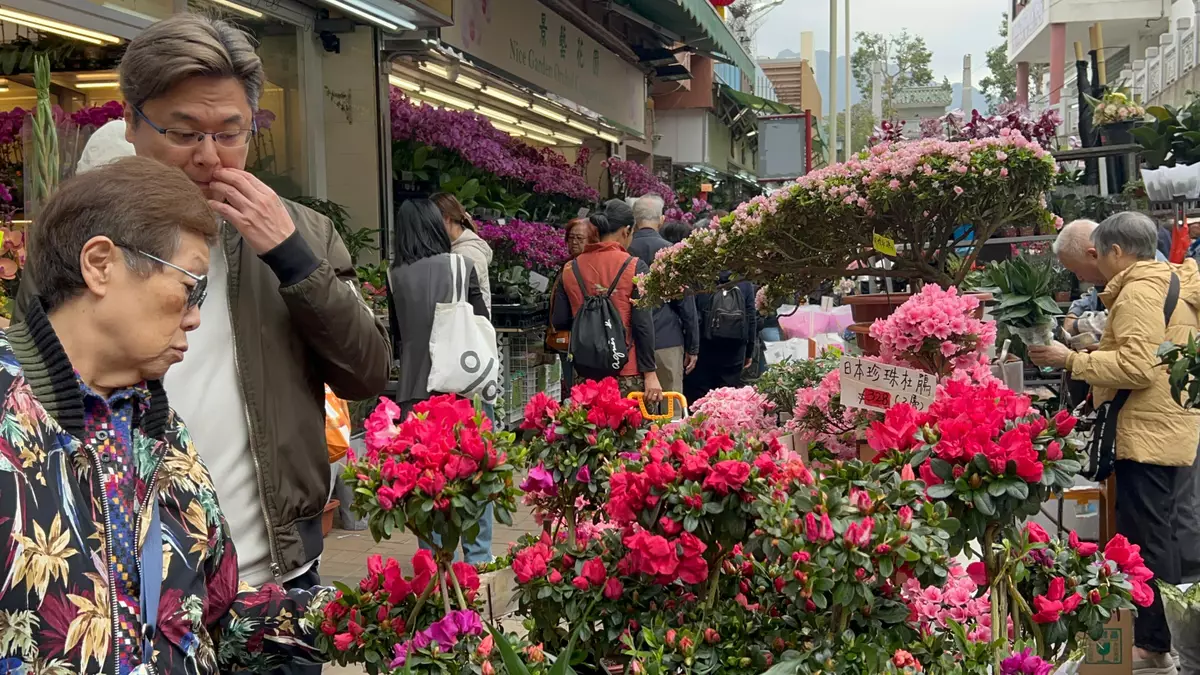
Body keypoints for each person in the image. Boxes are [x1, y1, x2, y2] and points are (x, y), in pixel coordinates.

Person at [13, 17, 391, 661]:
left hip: (270, 577)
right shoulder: (78, 236)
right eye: (184, 132)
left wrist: (293, 258)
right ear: (132, 124)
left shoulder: (299, 233)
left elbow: (368, 372)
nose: (210, 156)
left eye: (230, 132)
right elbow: (39, 387)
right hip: (117, 595)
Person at [0, 155, 332, 674]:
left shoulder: (160, 427)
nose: (196, 317)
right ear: (100, 264)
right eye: (190, 286)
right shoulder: (10, 415)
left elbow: (213, 616)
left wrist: (368, 617)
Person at [1030, 212, 1200, 674]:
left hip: (1147, 432)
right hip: (1166, 425)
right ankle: (1164, 640)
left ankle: (1154, 642)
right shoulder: (1165, 280)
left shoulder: (1139, 290)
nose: (1097, 267)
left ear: (1116, 251)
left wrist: (1072, 359)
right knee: (1163, 531)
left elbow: (1137, 367)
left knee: (1149, 539)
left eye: (1100, 255)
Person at [387, 198, 493, 562]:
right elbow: (481, 322)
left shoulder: (394, 276)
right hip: (460, 388)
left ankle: (436, 564)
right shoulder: (461, 266)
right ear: (435, 226)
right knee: (474, 476)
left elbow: (398, 336)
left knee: (426, 484)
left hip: (414, 391)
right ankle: (478, 561)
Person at [551, 199, 661, 400]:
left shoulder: (570, 269)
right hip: (627, 371)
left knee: (587, 421)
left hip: (585, 374)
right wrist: (650, 373)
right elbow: (643, 323)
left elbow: (559, 320)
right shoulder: (635, 267)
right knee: (630, 421)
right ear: (626, 231)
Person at [627, 195, 699, 406]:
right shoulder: (671, 253)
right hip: (667, 339)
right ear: (661, 220)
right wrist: (693, 346)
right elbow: (686, 304)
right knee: (671, 407)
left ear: (634, 220)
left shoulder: (625, 252)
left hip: (631, 343)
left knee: (637, 410)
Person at [685, 272, 758, 404]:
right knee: (727, 399)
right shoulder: (744, 280)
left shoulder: (700, 277)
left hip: (703, 348)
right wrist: (749, 351)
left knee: (699, 399)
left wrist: (691, 347)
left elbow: (692, 315)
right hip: (734, 350)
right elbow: (751, 317)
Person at [432, 192, 493, 310]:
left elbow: (462, 297)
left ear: (446, 218)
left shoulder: (467, 253)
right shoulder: (457, 248)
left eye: (432, 221)